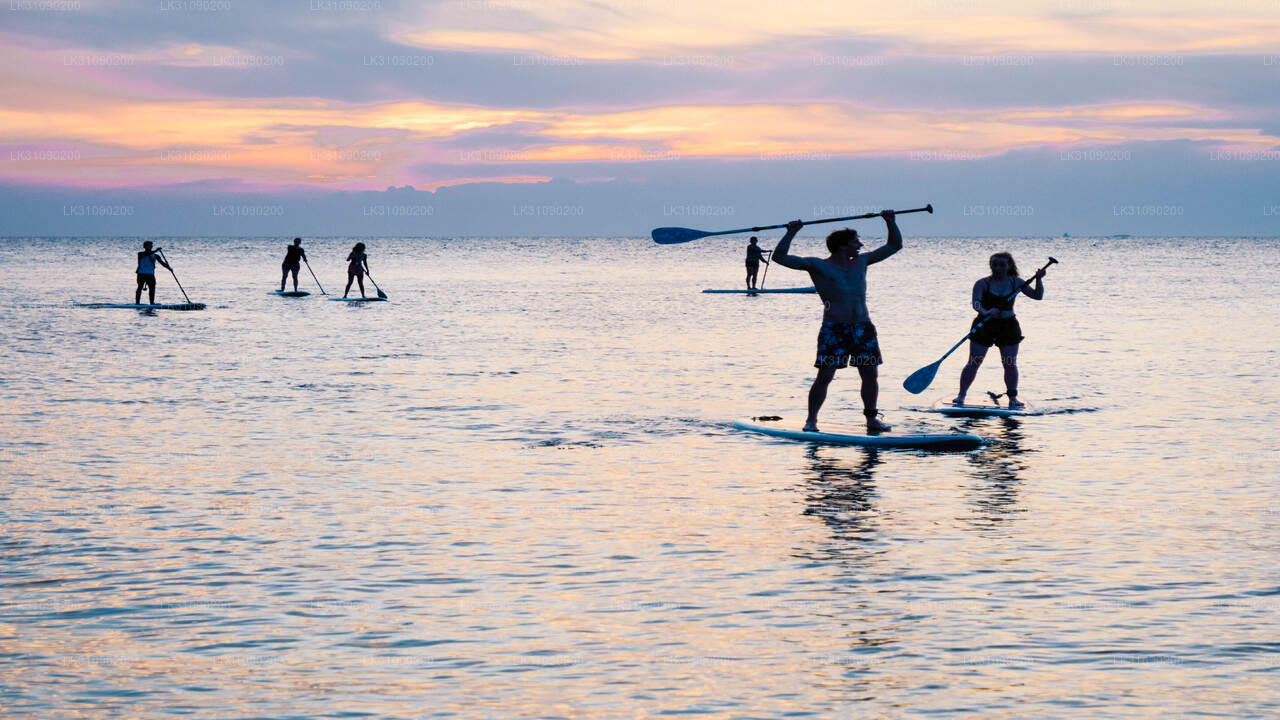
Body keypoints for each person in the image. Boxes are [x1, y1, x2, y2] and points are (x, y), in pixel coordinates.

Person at [772, 211, 901, 433]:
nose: (860, 245)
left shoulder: (862, 261)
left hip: (863, 328)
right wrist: (791, 232)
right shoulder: (818, 265)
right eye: (855, 242)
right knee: (825, 376)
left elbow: (894, 246)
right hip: (834, 329)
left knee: (870, 375)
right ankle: (811, 421)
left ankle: (871, 419)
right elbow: (780, 258)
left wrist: (890, 222)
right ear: (843, 246)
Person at [952, 252, 1046, 409]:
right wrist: (985, 312)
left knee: (1009, 363)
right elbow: (976, 303)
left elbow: (1037, 296)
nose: (998, 268)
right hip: (984, 325)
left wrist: (1039, 279)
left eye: (1002, 265)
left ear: (1009, 266)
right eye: (994, 265)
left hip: (1008, 326)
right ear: (991, 266)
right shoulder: (982, 283)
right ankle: (961, 395)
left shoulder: (1016, 282)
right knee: (974, 362)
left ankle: (1012, 399)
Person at [135, 241, 170, 305]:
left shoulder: (156, 256)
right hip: (141, 273)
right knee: (139, 288)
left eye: (150, 245)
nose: (149, 247)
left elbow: (162, 263)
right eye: (148, 245)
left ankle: (152, 303)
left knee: (152, 288)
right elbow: (148, 254)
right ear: (144, 247)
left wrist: (169, 268)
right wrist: (156, 250)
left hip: (150, 274)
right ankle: (137, 303)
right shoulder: (140, 254)